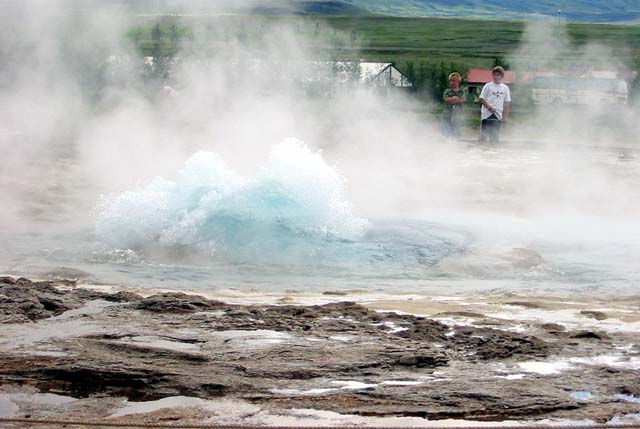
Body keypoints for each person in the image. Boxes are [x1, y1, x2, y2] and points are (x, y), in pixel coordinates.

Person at [479, 66, 511, 143]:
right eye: (494, 74)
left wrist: (505, 116)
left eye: (498, 75)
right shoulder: (487, 86)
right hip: (487, 114)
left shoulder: (505, 88)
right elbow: (482, 98)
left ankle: (493, 149)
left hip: (498, 115)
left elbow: (507, 102)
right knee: (484, 137)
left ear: (502, 76)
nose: (496, 76)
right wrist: (489, 107)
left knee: (494, 137)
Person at [442, 72, 465, 141]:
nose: (452, 82)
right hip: (447, 114)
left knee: (456, 129)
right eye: (450, 81)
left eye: (454, 81)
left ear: (458, 81)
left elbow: (462, 100)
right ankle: (445, 141)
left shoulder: (461, 91)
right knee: (446, 128)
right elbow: (446, 99)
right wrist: (454, 98)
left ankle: (455, 142)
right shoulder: (447, 91)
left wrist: (452, 100)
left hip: (457, 114)